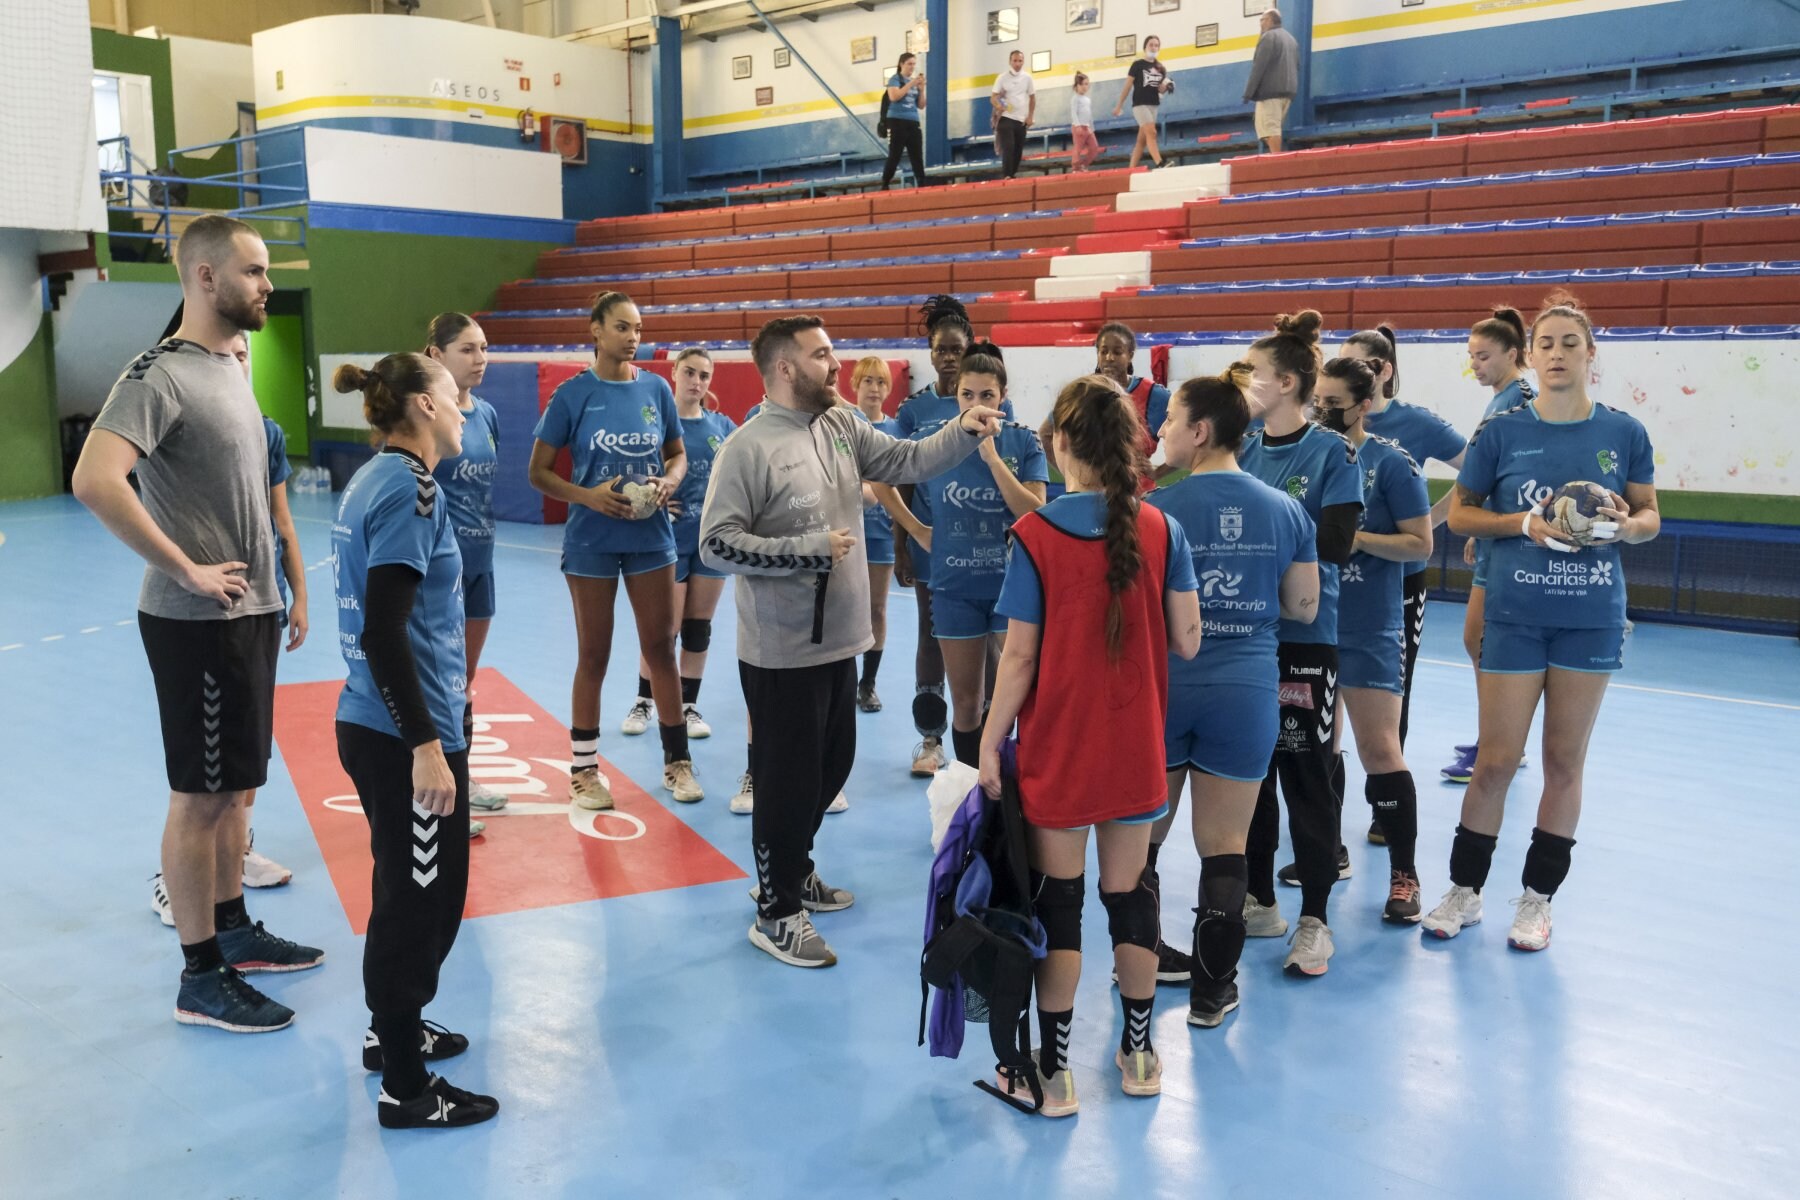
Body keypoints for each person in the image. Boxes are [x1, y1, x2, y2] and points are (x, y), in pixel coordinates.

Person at [73, 214, 322, 1034]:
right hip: (195, 620)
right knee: (201, 798)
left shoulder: (231, 367)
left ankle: (236, 926)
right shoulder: (159, 376)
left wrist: (282, 584)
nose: (267, 286)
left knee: (237, 792)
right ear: (206, 278)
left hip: (248, 613)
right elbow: (95, 479)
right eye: (254, 272)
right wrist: (184, 566)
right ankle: (199, 975)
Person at [699, 315, 1004, 969]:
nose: (834, 364)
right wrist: (803, 550)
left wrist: (962, 429)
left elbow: (905, 460)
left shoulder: (839, 423)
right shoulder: (747, 448)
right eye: (821, 354)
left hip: (841, 640)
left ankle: (794, 872)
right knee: (783, 783)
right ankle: (776, 911)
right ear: (785, 368)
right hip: (781, 651)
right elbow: (716, 542)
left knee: (827, 771)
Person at [981, 374, 1201, 1114]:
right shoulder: (1163, 529)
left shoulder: (1036, 536)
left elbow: (1017, 658)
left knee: (1061, 907)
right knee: (1131, 901)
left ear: (1061, 443)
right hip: (1137, 750)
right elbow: (1188, 639)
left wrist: (987, 743)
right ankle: (1139, 1052)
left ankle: (1058, 1069)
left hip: (1060, 755)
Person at [1425, 295, 1659, 950]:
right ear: (1531, 357)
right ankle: (1465, 891)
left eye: (1569, 344)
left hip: (1588, 618)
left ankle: (1536, 901)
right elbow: (1464, 515)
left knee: (1562, 761)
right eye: (1546, 344)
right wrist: (1522, 523)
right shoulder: (1502, 433)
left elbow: (1648, 516)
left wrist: (1624, 527)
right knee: (1496, 761)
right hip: (1515, 614)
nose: (1557, 354)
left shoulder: (1623, 434)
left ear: (1592, 356)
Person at [329, 354, 498, 1129]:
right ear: (425, 406)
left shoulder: (374, 476)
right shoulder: (412, 486)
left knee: (413, 891)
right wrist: (427, 744)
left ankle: (391, 1029)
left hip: (382, 722)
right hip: (403, 733)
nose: (467, 408)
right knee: (419, 907)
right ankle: (406, 1084)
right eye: (457, 398)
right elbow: (383, 627)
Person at [1147, 365, 1317, 1025]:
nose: (1159, 432)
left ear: (1199, 430)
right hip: (1244, 692)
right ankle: (1213, 993)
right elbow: (1303, 605)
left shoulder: (1154, 510)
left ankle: (1140, 956)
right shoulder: (1285, 508)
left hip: (1165, 687)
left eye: (1168, 421)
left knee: (1145, 843)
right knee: (1226, 845)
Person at [527, 291, 697, 809]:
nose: (633, 337)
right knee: (594, 655)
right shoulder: (571, 395)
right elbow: (538, 473)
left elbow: (678, 456)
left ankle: (677, 764)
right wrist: (589, 497)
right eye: (622, 327)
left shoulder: (657, 389)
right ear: (596, 331)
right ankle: (583, 772)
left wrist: (669, 481)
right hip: (591, 541)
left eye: (639, 328)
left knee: (660, 649)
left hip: (650, 540)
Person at [1235, 310, 1363, 976]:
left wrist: (1275, 530)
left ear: (1285, 382)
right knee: (1250, 776)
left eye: (1255, 374)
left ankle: (1314, 917)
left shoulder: (1331, 454)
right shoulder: (1243, 449)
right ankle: (1259, 899)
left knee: (1306, 776)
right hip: (1247, 636)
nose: (1246, 383)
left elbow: (1337, 546)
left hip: (1307, 640)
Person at [1312, 357, 1433, 923]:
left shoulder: (1391, 463)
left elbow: (1420, 545)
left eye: (1335, 402)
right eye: (1319, 399)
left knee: (1378, 748)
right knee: (1313, 748)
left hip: (1368, 626)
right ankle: (1327, 853)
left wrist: (1356, 538)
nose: (1324, 410)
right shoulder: (1305, 456)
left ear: (1364, 404)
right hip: (1308, 625)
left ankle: (1404, 874)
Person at [886, 345, 1046, 769]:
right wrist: (916, 530)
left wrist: (993, 461)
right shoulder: (934, 441)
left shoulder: (1023, 440)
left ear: (1003, 396)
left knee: (1011, 702)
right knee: (968, 705)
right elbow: (883, 476)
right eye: (967, 395)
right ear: (955, 396)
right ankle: (972, 798)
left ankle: (1005, 799)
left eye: (987, 396)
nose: (977, 405)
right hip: (954, 589)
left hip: (1013, 592)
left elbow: (1034, 512)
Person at [620, 347, 736, 745]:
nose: (696, 382)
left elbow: (740, 475)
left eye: (704, 375)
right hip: (668, 539)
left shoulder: (722, 426)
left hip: (711, 542)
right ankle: (643, 700)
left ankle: (688, 706)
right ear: (673, 373)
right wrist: (653, 497)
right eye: (689, 372)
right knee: (664, 629)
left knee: (698, 629)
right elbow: (637, 472)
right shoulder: (657, 425)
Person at [1442, 308, 1538, 785]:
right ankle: (1498, 739)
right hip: (1494, 534)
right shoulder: (1501, 396)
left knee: (1484, 641)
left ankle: (1502, 744)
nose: (1475, 365)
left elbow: (1506, 472)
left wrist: (1485, 525)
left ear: (1513, 354)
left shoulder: (1520, 399)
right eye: (1471, 357)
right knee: (1477, 640)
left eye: (1483, 356)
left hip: (1513, 538)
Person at [423, 312, 505, 834]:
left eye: (483, 348)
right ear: (436, 355)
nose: (480, 359)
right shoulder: (429, 415)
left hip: (482, 566)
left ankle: (462, 777)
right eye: (467, 349)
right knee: (437, 681)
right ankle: (430, 788)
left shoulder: (489, 414)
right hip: (440, 571)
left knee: (464, 681)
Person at [851, 355, 900, 713]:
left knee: (877, 609)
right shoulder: (840, 423)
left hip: (880, 530)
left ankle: (867, 683)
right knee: (839, 607)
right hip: (842, 530)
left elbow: (899, 479)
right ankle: (837, 678)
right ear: (854, 384)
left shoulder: (896, 430)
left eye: (880, 381)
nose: (874, 388)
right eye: (867, 380)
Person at [1093, 322, 1171, 466]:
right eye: (1103, 352)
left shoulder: (1154, 395)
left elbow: (1191, 436)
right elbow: (1047, 434)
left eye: (1117, 352)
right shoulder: (1083, 392)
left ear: (1130, 355)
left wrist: (1158, 473)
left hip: (1140, 487)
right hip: (1094, 487)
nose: (1109, 357)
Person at [1113, 35, 1174, 170]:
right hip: (1140, 104)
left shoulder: (1161, 68)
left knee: (1141, 141)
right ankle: (1159, 163)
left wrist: (1166, 88)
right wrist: (1119, 105)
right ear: (1145, 47)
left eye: (1156, 45)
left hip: (1154, 105)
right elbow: (1128, 85)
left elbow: (1160, 90)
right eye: (1151, 44)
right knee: (1151, 132)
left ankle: (1131, 169)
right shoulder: (1137, 65)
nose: (1153, 47)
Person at [1244, 7, 1299, 155]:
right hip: (1288, 92)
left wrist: (1248, 93)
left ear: (1269, 20)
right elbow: (1297, 65)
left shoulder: (1268, 37)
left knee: (1270, 128)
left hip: (1270, 93)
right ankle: (1275, 156)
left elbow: (1259, 66)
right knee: (1271, 127)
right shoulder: (1291, 39)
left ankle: (1276, 159)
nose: (1260, 24)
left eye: (1262, 20)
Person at [881, 52, 928, 191]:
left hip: (912, 121)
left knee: (917, 154)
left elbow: (921, 105)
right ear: (902, 64)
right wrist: (911, 84)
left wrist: (921, 90)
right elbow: (894, 96)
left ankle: (921, 182)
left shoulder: (914, 82)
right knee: (895, 154)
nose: (912, 67)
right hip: (896, 121)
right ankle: (885, 183)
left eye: (914, 64)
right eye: (909, 64)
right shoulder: (895, 79)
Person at [991, 49, 1036, 180]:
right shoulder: (1002, 77)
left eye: (1020, 61)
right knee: (1008, 147)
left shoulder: (1027, 78)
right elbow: (993, 97)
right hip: (1006, 118)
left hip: (1021, 120)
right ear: (1010, 62)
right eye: (1015, 60)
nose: (1017, 63)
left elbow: (1032, 98)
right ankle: (1007, 175)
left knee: (1018, 149)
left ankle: (1012, 174)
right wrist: (999, 105)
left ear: (1023, 62)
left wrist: (1030, 116)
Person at [1069, 72, 1100, 172]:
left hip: (1087, 128)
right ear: (1076, 86)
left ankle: (1084, 164)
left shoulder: (1087, 99)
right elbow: (1074, 112)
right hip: (1078, 127)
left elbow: (1089, 114)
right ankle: (1075, 168)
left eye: (1086, 84)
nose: (1084, 87)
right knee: (1077, 149)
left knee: (1094, 148)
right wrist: (1077, 126)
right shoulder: (1075, 98)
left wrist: (1092, 127)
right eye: (1081, 84)